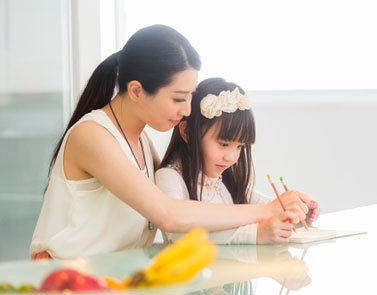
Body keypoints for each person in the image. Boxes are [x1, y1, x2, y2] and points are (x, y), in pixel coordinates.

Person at [30, 25, 308, 260]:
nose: (187, 110)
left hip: (117, 280)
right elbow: (169, 215)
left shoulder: (140, 139)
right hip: (68, 282)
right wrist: (264, 211)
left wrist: (282, 207)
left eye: (191, 96)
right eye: (178, 98)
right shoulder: (92, 135)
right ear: (137, 90)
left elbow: (188, 203)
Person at [155, 78, 319, 244]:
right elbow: (179, 233)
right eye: (223, 144)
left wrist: (294, 211)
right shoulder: (169, 177)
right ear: (187, 132)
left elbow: (269, 207)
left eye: (240, 146)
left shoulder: (226, 181)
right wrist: (255, 234)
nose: (231, 157)